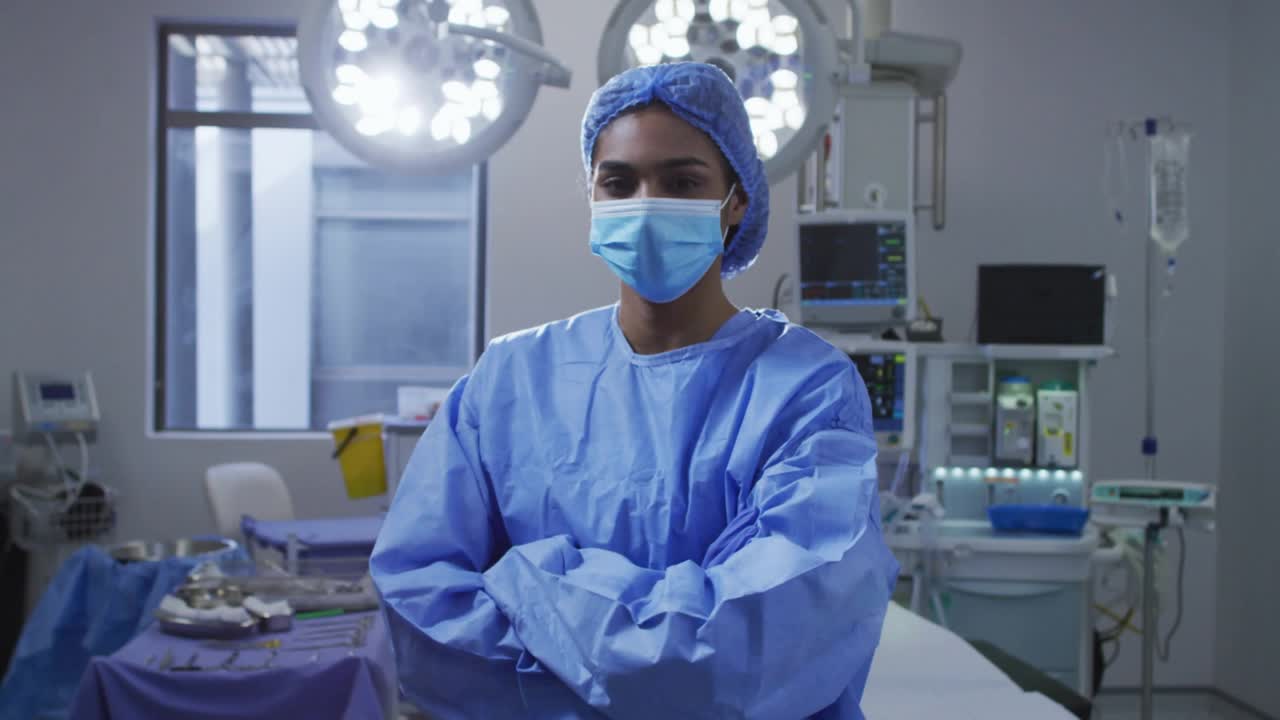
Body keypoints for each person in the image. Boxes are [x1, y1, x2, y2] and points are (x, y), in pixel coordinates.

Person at [371, 62, 898, 720]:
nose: (645, 205)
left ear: (737, 200)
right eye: (618, 182)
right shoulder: (510, 377)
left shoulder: (807, 390)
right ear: (593, 198)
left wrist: (529, 579)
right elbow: (420, 613)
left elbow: (751, 650)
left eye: (681, 182)